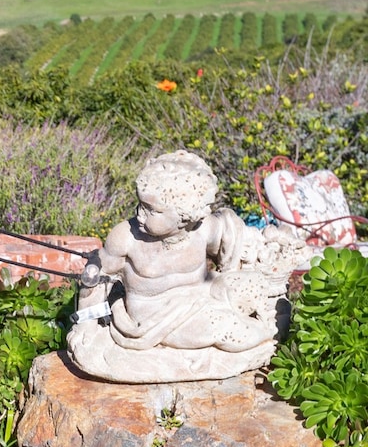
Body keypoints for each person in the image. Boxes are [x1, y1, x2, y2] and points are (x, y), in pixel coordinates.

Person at [69, 150, 282, 382]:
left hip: (202, 294)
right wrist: (86, 324)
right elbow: (97, 277)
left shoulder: (201, 230)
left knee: (250, 285)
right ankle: (270, 333)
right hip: (155, 316)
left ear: (185, 217)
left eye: (152, 210)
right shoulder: (126, 238)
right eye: (141, 204)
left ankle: (268, 322)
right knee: (222, 328)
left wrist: (261, 250)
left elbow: (231, 234)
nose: (140, 214)